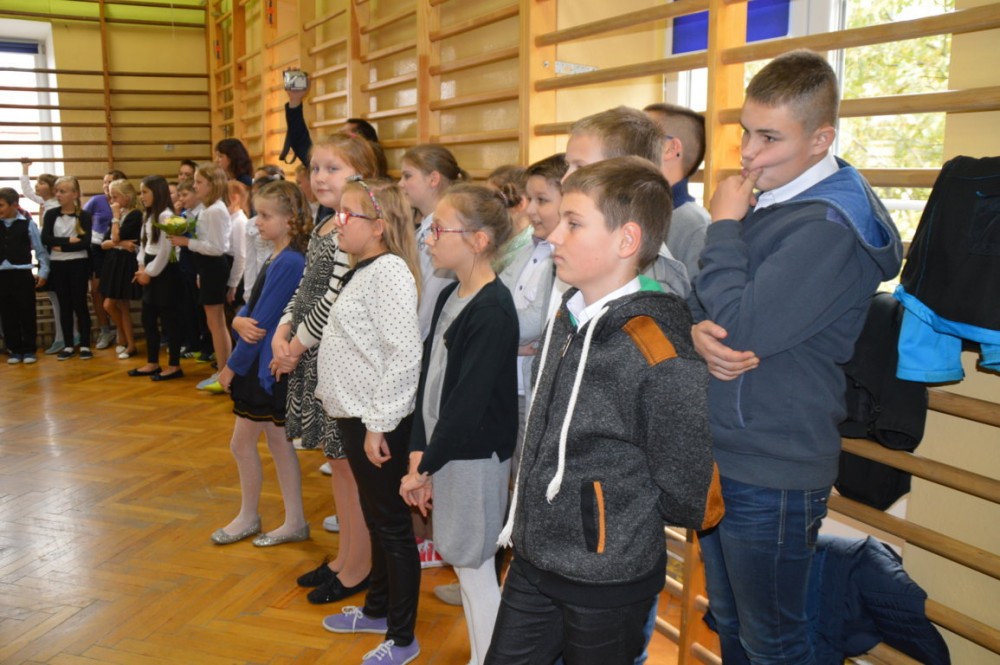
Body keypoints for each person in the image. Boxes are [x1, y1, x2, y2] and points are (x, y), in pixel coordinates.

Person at [689, 50, 903, 664]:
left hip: (774, 466)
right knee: (730, 622)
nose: (748, 154)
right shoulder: (777, 200)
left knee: (775, 643)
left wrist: (723, 226)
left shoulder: (829, 224)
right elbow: (706, 304)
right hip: (728, 450)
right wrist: (697, 330)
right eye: (745, 133)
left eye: (769, 138)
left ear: (821, 140)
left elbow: (741, 326)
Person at [486, 157, 723, 665]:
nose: (554, 236)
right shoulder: (567, 315)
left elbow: (686, 487)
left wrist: (608, 521)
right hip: (534, 558)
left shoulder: (656, 347)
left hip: (606, 578)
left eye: (574, 224)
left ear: (626, 240)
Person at [400, 184, 519, 665]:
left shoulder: (493, 310)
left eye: (439, 230)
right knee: (466, 565)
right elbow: (430, 381)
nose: (428, 239)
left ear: (478, 240)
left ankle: (488, 658)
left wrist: (424, 466)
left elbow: (467, 405)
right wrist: (418, 452)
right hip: (446, 451)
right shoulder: (452, 293)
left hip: (472, 457)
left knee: (474, 566)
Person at [311, 178, 423, 665]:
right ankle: (378, 610)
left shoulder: (390, 271)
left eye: (347, 215)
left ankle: (403, 637)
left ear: (378, 227)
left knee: (392, 526)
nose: (337, 223)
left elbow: (404, 355)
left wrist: (379, 424)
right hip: (358, 416)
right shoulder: (365, 269)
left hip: (378, 419)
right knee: (377, 519)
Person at [271, 135, 378, 605]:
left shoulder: (351, 230)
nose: (319, 177)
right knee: (338, 467)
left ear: (360, 174)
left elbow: (333, 300)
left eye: (332, 168)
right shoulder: (324, 225)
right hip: (311, 356)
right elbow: (305, 290)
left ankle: (359, 566)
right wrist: (282, 329)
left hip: (337, 362)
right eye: (315, 168)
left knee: (352, 472)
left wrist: (294, 347)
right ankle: (344, 557)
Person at [212, 180, 311, 546]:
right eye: (258, 214)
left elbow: (261, 325)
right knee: (278, 443)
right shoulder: (280, 255)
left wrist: (230, 367)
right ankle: (294, 520)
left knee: (242, 445)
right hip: (265, 367)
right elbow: (253, 309)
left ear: (290, 218)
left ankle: (250, 516)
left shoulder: (289, 261)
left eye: (266, 216)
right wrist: (239, 319)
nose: (257, 222)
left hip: (262, 370)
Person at [560, 106, 690, 302]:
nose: (564, 180)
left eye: (580, 168)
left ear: (624, 174)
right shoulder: (573, 245)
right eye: (567, 165)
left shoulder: (652, 287)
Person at [498, 153, 565, 447]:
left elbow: (533, 323)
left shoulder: (562, 258)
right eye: (530, 199)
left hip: (533, 393)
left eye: (543, 200)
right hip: (507, 384)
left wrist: (492, 334)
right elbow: (490, 304)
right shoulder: (529, 249)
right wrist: (507, 343)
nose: (531, 209)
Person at [170, 163, 233, 390]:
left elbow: (218, 248)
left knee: (216, 323)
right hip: (207, 267)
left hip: (214, 266)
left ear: (212, 184)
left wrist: (187, 242)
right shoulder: (209, 209)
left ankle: (224, 371)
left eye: (199, 182)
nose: (195, 186)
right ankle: (223, 370)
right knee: (214, 322)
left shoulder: (215, 210)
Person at [398, 144, 466, 341]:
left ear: (433, 179)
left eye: (408, 176)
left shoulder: (445, 233)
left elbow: (429, 303)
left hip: (422, 340)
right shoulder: (423, 228)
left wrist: (408, 343)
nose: (400, 184)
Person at [643, 103, 710, 280]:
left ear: (670, 148)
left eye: (639, 136)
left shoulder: (696, 226)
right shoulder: (634, 210)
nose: (628, 144)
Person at [131, 175, 184, 381]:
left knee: (169, 320)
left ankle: (174, 365)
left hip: (165, 272)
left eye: (145, 192)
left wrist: (149, 273)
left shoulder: (166, 216)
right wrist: (141, 266)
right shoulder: (149, 215)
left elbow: (165, 251)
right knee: (148, 318)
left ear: (157, 192)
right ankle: (152, 362)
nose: (141, 196)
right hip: (149, 268)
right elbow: (144, 245)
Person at [40, 176, 94, 361]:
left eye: (62, 191)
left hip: (78, 263)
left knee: (80, 304)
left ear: (75, 194)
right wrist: (68, 240)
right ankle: (68, 344)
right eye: (57, 191)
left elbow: (85, 243)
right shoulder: (51, 214)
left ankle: (85, 344)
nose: (58, 195)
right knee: (64, 305)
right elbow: (46, 238)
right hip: (58, 264)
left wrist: (62, 247)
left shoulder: (84, 216)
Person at [20, 159, 65, 355]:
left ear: (52, 188)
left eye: (41, 183)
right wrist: (25, 169)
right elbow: (27, 191)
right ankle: (63, 336)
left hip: (54, 256)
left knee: (59, 298)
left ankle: (63, 337)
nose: (37, 186)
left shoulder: (55, 206)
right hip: (47, 255)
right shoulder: (45, 203)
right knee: (55, 298)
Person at [0, 187, 50, 365]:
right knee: (7, 314)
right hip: (2, 276)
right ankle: (14, 349)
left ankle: (29, 349)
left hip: (22, 274)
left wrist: (43, 272)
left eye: (1, 205)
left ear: (14, 205)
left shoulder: (27, 224)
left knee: (26, 312)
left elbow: (40, 251)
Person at [100, 178, 143, 359]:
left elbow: (115, 237)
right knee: (114, 305)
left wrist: (116, 218)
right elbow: (104, 243)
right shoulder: (118, 216)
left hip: (125, 263)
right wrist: (121, 243)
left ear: (127, 197)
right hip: (114, 262)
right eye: (110, 197)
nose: (112, 201)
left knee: (115, 305)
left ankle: (129, 343)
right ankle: (125, 339)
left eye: (115, 197)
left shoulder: (134, 215)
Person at [84, 169, 127, 350]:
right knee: (96, 290)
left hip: (116, 250)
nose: (105, 186)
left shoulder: (124, 203)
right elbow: (81, 219)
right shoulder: (96, 200)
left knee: (116, 293)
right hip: (96, 249)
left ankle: (121, 331)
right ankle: (104, 330)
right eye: (104, 182)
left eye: (109, 182)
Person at [485, 165, 531, 274]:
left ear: (520, 204)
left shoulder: (529, 251)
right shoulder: (496, 244)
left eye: (493, 201)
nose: (484, 208)